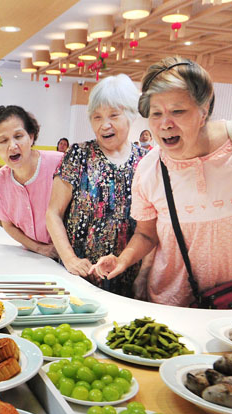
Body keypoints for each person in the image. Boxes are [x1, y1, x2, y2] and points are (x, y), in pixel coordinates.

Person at [92, 57, 232, 307]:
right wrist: (123, 260)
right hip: (175, 294)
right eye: (156, 114)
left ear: (204, 110)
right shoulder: (149, 169)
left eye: (178, 111)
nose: (165, 124)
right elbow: (146, 233)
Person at [45, 74, 147, 297]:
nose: (104, 125)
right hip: (77, 276)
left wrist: (144, 277)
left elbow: (150, 229)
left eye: (113, 115)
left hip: (124, 279)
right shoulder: (78, 155)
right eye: (97, 117)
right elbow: (53, 213)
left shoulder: (145, 161)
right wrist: (70, 259)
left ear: (130, 115)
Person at [0, 106, 63, 258]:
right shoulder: (1, 179)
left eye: (19, 136)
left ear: (31, 137)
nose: (12, 146)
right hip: (34, 256)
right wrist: (39, 249)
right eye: (3, 140)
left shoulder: (60, 163)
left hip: (70, 258)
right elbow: (8, 225)